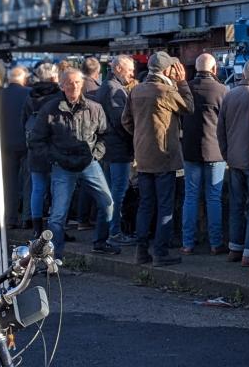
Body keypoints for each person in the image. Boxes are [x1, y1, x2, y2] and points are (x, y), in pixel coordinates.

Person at [29, 67, 117, 259]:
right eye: (69, 82)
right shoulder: (50, 109)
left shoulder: (94, 108)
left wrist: (96, 154)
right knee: (58, 215)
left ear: (83, 84)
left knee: (108, 204)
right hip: (62, 165)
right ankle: (54, 257)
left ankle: (101, 242)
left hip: (89, 163)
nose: (73, 86)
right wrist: (54, 158)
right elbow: (36, 139)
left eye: (77, 82)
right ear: (61, 85)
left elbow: (105, 134)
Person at [122, 52, 194, 267]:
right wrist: (182, 82)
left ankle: (141, 252)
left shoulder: (136, 90)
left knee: (145, 205)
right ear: (165, 71)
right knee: (165, 207)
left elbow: (125, 121)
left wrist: (141, 137)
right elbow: (189, 108)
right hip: (164, 156)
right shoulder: (165, 90)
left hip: (143, 157)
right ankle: (160, 253)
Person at [217, 58, 249, 266]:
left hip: (234, 159)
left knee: (236, 205)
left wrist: (227, 154)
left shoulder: (230, 94)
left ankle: (234, 248)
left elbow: (220, 130)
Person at [181, 53, 229, 254]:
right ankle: (215, 243)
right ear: (214, 69)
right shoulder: (222, 90)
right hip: (215, 151)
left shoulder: (186, 89)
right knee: (214, 198)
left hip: (190, 150)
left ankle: (187, 242)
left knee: (190, 197)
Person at [97, 54, 136, 245]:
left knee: (110, 192)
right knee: (118, 193)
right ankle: (114, 233)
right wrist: (134, 139)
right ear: (118, 69)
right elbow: (122, 122)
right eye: (130, 70)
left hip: (108, 148)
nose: (132, 74)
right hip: (118, 149)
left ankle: (108, 233)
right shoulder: (115, 90)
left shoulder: (106, 86)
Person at [22, 63, 61, 238]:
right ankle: (56, 228)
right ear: (54, 77)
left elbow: (23, 121)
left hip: (35, 149)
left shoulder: (30, 96)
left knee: (37, 188)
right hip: (54, 147)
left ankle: (37, 228)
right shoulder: (58, 96)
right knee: (57, 189)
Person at [0, 66, 31, 229]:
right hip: (25, 143)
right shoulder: (29, 93)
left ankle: (10, 219)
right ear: (24, 78)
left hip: (5, 144)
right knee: (28, 181)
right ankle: (27, 217)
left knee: (9, 183)